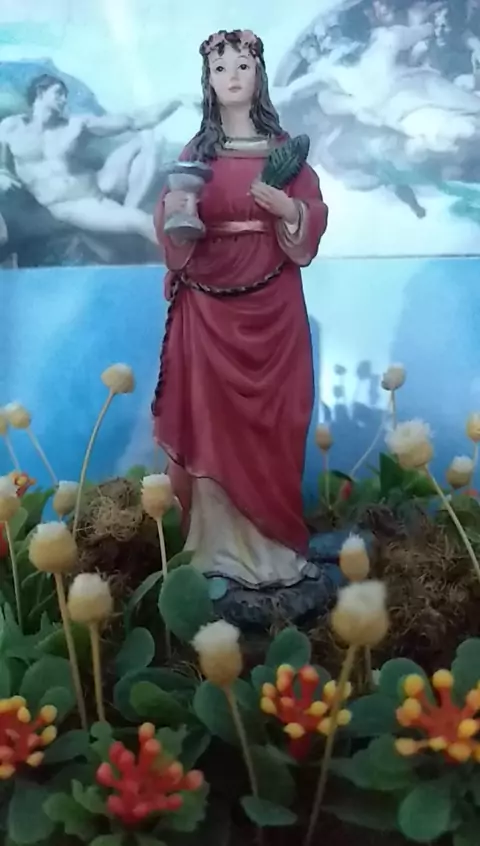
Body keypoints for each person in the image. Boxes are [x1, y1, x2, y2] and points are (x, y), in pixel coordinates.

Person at [152, 29, 328, 589]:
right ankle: (215, 548)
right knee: (210, 418)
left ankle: (273, 548)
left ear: (259, 75)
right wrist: (177, 214)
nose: (232, 76)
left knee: (276, 417)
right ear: (208, 80)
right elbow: (171, 215)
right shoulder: (196, 153)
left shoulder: (285, 153)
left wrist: (289, 210)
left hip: (273, 307)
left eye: (243, 65)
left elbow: (313, 212)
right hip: (208, 307)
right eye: (220, 67)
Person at [0, 74, 185, 245]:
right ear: (40, 93)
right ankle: (186, 262)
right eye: (58, 93)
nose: (64, 100)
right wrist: (3, 176)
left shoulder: (75, 125)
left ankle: (135, 210)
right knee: (140, 221)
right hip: (68, 204)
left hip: (95, 192)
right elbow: (2, 166)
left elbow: (134, 120)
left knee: (151, 139)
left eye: (65, 95)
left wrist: (177, 101)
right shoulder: (11, 127)